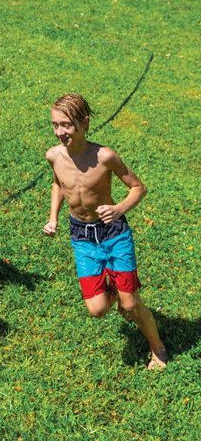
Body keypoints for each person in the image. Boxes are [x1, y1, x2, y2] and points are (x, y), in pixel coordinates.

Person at [43, 93, 167, 370]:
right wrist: (53, 217)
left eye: (67, 125)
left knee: (132, 307)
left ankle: (157, 348)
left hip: (113, 233)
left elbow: (139, 187)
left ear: (84, 123)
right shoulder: (53, 155)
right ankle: (120, 290)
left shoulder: (105, 156)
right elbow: (58, 184)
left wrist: (119, 208)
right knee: (97, 309)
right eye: (55, 125)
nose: (60, 132)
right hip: (81, 236)